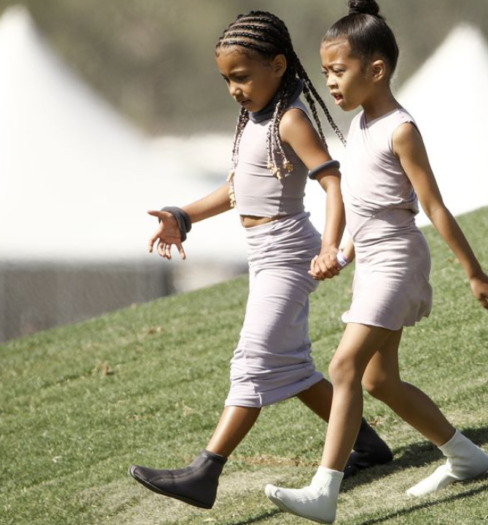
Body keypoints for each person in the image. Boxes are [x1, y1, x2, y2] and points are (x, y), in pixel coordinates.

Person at [128, 10, 392, 511]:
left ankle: (206, 471)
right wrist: (183, 215)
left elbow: (332, 182)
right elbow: (237, 189)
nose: (233, 88)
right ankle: (367, 442)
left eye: (242, 76)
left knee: (252, 361)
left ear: (277, 65)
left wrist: (329, 246)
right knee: (289, 365)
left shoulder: (291, 118)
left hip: (290, 255)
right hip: (266, 255)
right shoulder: (255, 118)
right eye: (227, 79)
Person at [264, 1, 488, 523]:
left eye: (338, 70)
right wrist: (341, 252)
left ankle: (323, 491)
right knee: (378, 380)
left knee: (343, 366)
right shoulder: (357, 129)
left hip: (399, 259)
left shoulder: (400, 128)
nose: (329, 81)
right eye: (325, 71)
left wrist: (474, 272)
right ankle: (465, 455)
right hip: (373, 260)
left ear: (376, 70)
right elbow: (363, 207)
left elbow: (433, 206)